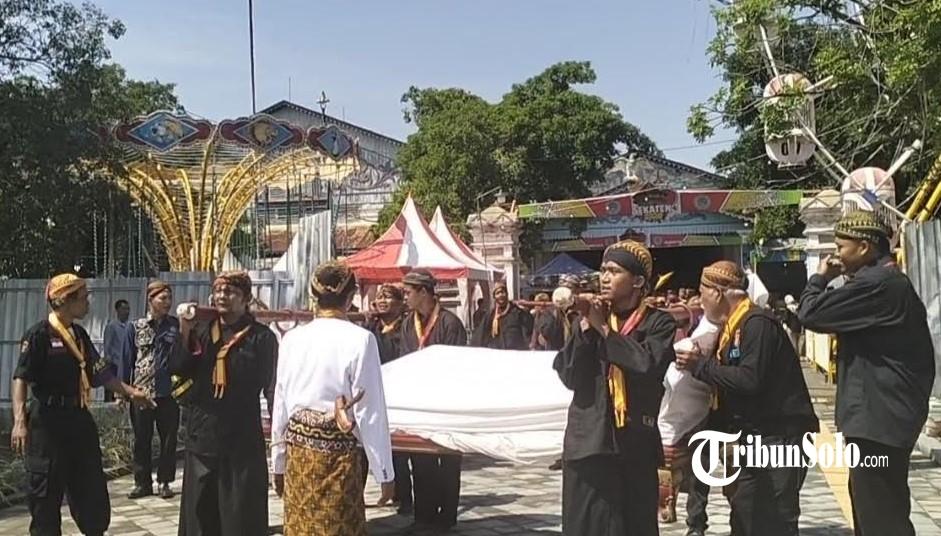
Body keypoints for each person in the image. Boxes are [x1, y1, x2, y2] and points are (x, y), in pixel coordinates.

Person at [798, 211, 935, 536]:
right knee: (872, 509)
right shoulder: (880, 282)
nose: (835, 255)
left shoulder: (879, 285)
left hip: (880, 421)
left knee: (880, 517)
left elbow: (810, 313)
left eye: (841, 246)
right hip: (879, 419)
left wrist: (819, 277)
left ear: (864, 247)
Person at [676, 261, 818, 536]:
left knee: (776, 519)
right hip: (752, 439)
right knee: (745, 517)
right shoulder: (730, 328)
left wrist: (700, 366)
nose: (699, 301)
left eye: (702, 293)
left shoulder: (757, 324)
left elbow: (749, 380)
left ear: (717, 293)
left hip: (781, 438)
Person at [11, 273, 153, 536]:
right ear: (65, 301)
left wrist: (133, 392)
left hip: (78, 419)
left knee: (91, 488)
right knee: (45, 492)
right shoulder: (39, 335)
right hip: (48, 424)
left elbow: (102, 374)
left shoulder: (79, 334)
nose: (88, 302)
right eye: (83, 297)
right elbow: (21, 378)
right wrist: (20, 421)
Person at [553, 240, 677, 536]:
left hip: (634, 444)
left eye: (614, 271)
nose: (604, 277)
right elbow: (570, 375)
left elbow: (645, 364)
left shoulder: (659, 323)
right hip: (589, 443)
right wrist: (585, 328)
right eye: (603, 270)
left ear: (638, 281)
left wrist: (604, 330)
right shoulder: (593, 319)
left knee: (634, 526)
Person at [271, 261, 395, 535]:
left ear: (313, 297)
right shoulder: (360, 339)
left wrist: (278, 461)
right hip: (339, 453)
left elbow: (280, 404)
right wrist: (384, 471)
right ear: (351, 298)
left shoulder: (292, 339)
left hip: (299, 452)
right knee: (339, 527)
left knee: (302, 526)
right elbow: (369, 411)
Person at [170, 271, 278, 536]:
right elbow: (178, 367)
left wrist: (278, 428)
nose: (222, 297)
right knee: (200, 509)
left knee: (240, 510)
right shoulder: (203, 331)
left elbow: (272, 386)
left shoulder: (262, 338)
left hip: (242, 434)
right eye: (218, 291)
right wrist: (184, 330)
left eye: (230, 292)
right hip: (204, 432)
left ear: (246, 299)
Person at [399, 269, 467, 532]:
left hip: (447, 403)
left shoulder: (450, 323)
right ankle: (423, 516)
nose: (405, 297)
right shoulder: (408, 324)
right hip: (418, 403)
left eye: (408, 292)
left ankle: (446, 516)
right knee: (420, 459)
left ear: (424, 292)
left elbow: (456, 364)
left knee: (448, 461)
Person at [127, 280, 181, 500]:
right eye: (163, 298)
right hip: (141, 393)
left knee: (169, 439)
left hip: (169, 393)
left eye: (169, 298)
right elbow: (126, 359)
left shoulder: (175, 326)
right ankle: (142, 483)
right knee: (142, 439)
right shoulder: (136, 326)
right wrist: (125, 392)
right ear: (151, 300)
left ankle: (165, 481)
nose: (167, 302)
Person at [365, 283, 414, 514]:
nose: (382, 301)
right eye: (380, 297)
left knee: (400, 449)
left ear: (400, 302)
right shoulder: (371, 327)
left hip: (399, 391)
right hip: (376, 390)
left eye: (388, 297)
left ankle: (404, 495)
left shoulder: (406, 327)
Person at [471, 281, 533, 350]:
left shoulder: (517, 312)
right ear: (494, 297)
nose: (501, 295)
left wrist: (526, 311)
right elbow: (479, 336)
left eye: (503, 292)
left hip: (515, 354)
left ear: (507, 294)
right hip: (498, 354)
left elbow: (529, 330)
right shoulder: (491, 315)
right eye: (498, 293)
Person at [103, 298, 133, 401]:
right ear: (118, 310)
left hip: (125, 365)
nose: (127, 312)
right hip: (114, 365)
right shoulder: (112, 326)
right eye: (124, 309)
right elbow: (107, 346)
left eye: (128, 309)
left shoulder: (130, 327)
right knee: (112, 393)